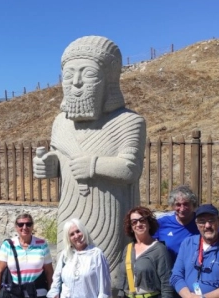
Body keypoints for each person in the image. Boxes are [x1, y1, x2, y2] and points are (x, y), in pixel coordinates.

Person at [33, 35, 146, 284]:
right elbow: (59, 158)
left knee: (108, 279)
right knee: (69, 274)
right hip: (70, 210)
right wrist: (49, 164)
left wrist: (94, 165)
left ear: (109, 81)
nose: (77, 84)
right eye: (69, 76)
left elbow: (130, 168)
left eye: (89, 75)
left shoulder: (128, 122)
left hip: (110, 213)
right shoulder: (60, 123)